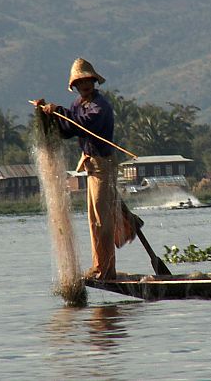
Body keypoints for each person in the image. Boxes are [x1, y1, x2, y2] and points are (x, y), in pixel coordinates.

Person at [35, 57, 141, 280]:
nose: (84, 85)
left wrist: (61, 111)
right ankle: (100, 263)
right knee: (93, 219)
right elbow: (68, 129)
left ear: (93, 82)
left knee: (103, 219)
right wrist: (51, 115)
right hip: (90, 166)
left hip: (103, 166)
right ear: (75, 86)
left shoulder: (99, 106)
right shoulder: (77, 105)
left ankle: (106, 269)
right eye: (80, 82)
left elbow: (84, 123)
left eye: (88, 81)